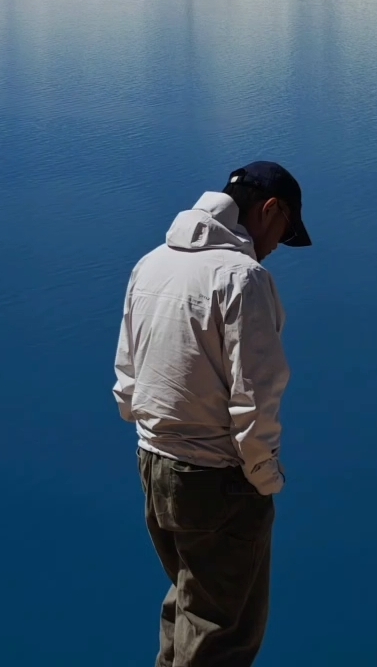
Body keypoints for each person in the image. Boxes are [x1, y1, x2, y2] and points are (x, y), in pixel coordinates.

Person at [113, 161, 311, 667]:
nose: (275, 249)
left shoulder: (152, 263)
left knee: (188, 607)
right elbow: (256, 395)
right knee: (225, 634)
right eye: (283, 234)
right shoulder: (243, 278)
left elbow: (127, 381)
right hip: (217, 480)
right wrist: (264, 478)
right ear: (270, 210)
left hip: (154, 466)